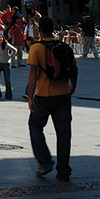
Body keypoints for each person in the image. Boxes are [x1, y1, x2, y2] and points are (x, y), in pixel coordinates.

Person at [27, 16, 75, 182]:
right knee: (64, 134)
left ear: (39, 30)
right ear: (53, 29)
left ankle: (45, 161)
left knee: (35, 125)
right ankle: (64, 171)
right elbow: (74, 69)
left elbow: (33, 76)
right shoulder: (63, 46)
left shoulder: (36, 48)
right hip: (63, 94)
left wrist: (30, 98)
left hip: (44, 95)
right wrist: (72, 87)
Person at [0, 32, 16, 99]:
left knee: (7, 79)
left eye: (1, 37)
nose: (0, 39)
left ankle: (8, 95)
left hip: (6, 63)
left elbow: (15, 50)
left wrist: (11, 56)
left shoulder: (6, 44)